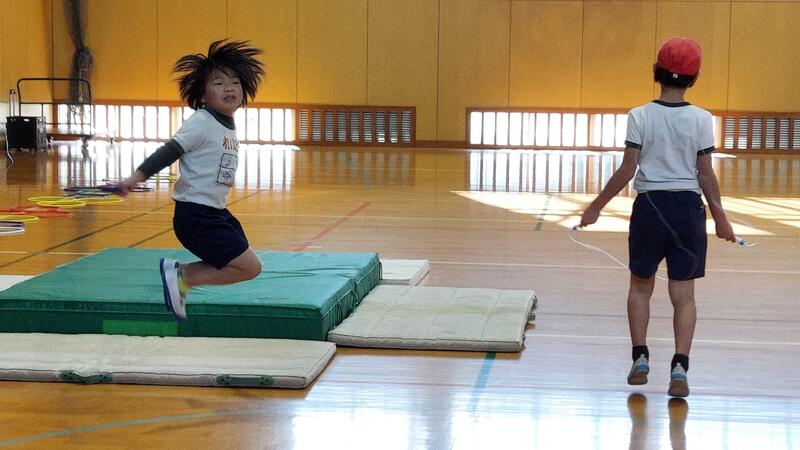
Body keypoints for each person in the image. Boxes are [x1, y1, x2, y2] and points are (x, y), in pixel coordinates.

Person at [579, 37, 737, 397]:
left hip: (650, 210)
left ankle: (640, 357)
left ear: (656, 71)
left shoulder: (639, 115)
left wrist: (596, 206)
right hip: (687, 212)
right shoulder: (702, 119)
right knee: (684, 295)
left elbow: (627, 170)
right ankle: (680, 367)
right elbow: (705, 174)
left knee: (640, 287)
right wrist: (720, 218)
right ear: (695, 78)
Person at [117, 39, 266, 320]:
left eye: (235, 82)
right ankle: (182, 276)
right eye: (218, 83)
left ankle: (181, 275)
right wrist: (137, 176)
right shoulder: (201, 121)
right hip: (196, 216)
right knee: (249, 267)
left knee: (244, 263)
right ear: (203, 94)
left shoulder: (225, 123)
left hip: (216, 213)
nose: (229, 88)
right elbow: (170, 151)